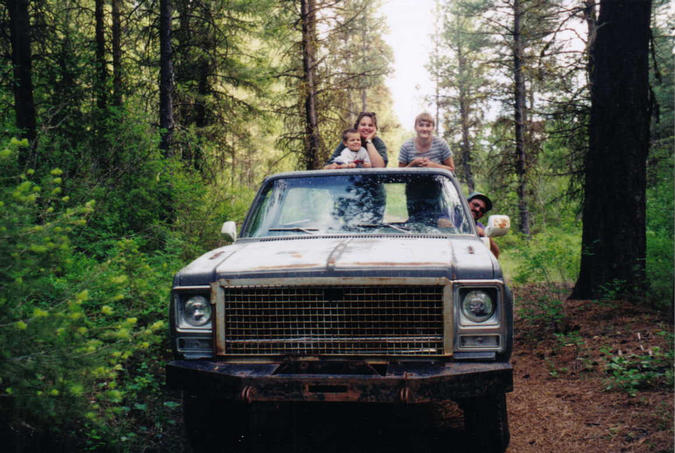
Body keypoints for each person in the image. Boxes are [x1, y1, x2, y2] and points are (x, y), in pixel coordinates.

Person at [467, 191, 500, 258]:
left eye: (482, 210)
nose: (477, 209)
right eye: (475, 205)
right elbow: (442, 222)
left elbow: (495, 255)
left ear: (482, 215)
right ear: (466, 203)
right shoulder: (451, 216)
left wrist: (486, 236)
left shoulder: (480, 227)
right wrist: (469, 228)